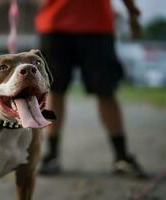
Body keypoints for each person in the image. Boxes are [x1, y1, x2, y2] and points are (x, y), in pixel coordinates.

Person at [35, 0, 146, 177]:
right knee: (55, 91)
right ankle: (51, 156)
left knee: (106, 91)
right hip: (56, 23)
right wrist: (132, 13)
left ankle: (121, 157)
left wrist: (132, 12)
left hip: (95, 25)